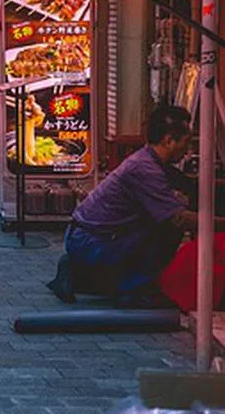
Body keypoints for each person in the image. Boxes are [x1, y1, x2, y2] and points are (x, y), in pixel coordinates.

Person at [47, 106, 223, 306]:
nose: (188, 150)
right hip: (89, 242)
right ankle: (134, 289)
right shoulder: (145, 169)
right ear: (168, 140)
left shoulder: (150, 160)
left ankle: (80, 276)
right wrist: (220, 222)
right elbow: (179, 218)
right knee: (169, 226)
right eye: (186, 142)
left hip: (89, 236)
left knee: (161, 221)